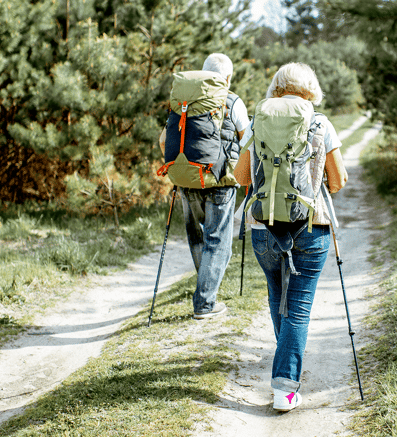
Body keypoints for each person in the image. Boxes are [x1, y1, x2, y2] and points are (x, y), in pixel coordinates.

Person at [233, 62, 348, 411]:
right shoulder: (320, 123)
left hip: (264, 228)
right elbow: (339, 180)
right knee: (297, 309)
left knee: (276, 296)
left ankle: (286, 363)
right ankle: (284, 387)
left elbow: (241, 177)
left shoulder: (257, 121)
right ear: (310, 90)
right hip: (311, 228)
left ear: (276, 88)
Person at [159, 53, 250, 319]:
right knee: (218, 241)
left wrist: (181, 168)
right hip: (220, 179)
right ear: (228, 78)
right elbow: (248, 141)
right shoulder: (231, 100)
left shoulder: (182, 102)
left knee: (197, 236)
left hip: (188, 178)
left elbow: (164, 141)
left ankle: (205, 288)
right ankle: (205, 303)